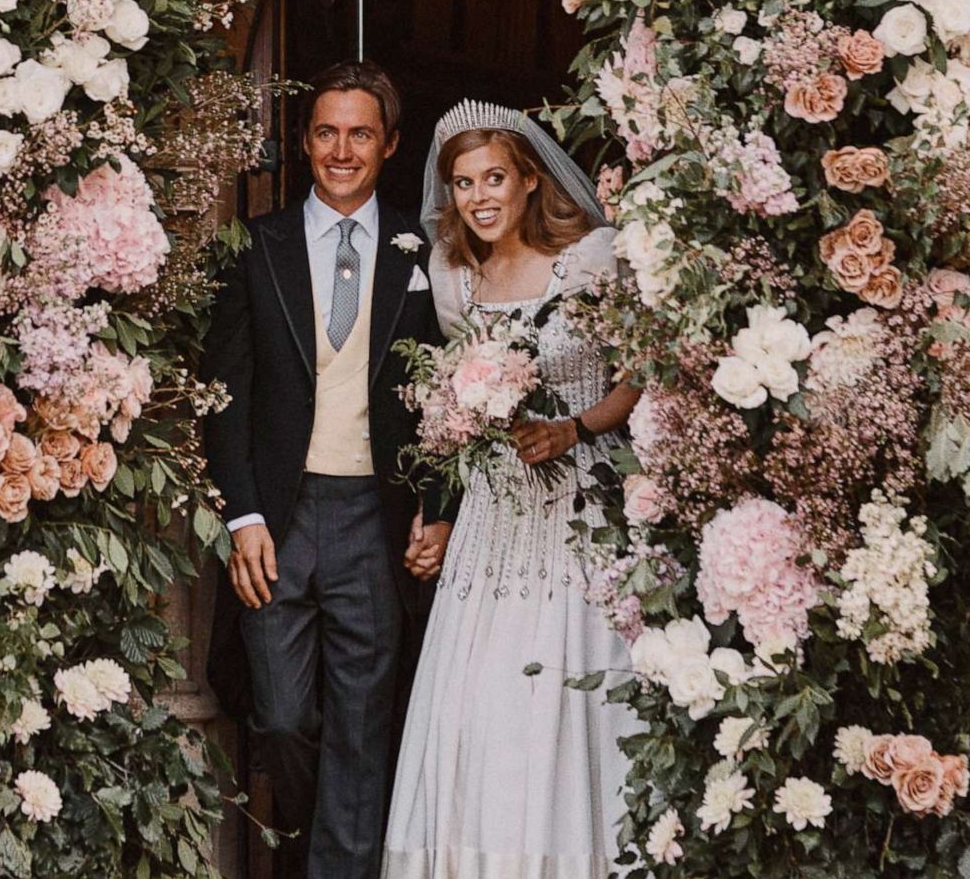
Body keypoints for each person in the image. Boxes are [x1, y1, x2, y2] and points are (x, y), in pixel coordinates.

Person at [200, 61, 454, 879]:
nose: (341, 150)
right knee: (278, 714)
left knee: (361, 723)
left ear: (390, 145)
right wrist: (243, 517)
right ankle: (324, 846)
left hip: (376, 518)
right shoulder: (257, 245)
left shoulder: (431, 252)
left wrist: (440, 507)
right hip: (280, 514)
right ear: (305, 142)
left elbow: (460, 402)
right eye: (326, 132)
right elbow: (225, 395)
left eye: (360, 134)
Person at [381, 100, 645, 879]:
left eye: (493, 178)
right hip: (496, 511)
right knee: (482, 703)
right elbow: (455, 402)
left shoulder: (595, 256)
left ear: (530, 179)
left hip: (581, 503)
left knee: (566, 698)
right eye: (463, 184)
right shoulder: (455, 274)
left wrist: (577, 428)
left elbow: (641, 370)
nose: (479, 197)